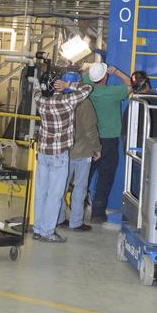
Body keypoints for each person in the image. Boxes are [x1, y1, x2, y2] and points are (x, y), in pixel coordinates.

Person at [32, 69, 92, 243]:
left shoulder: (39, 100)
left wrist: (45, 84)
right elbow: (87, 88)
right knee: (54, 194)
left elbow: (37, 86)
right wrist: (68, 85)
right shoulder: (66, 101)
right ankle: (48, 232)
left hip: (43, 153)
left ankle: (38, 228)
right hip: (59, 155)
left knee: (41, 192)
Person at [84, 61, 131, 224]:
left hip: (89, 139)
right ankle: (97, 213)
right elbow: (130, 85)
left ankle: (78, 206)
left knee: (85, 175)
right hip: (109, 141)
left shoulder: (87, 90)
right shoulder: (112, 93)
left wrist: (89, 70)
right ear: (105, 77)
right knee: (105, 176)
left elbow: (85, 76)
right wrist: (116, 71)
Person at [58, 88, 100, 233]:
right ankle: (75, 222)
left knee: (60, 187)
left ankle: (59, 218)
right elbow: (90, 129)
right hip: (83, 151)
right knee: (80, 188)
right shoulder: (84, 103)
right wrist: (97, 147)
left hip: (64, 151)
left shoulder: (60, 100)